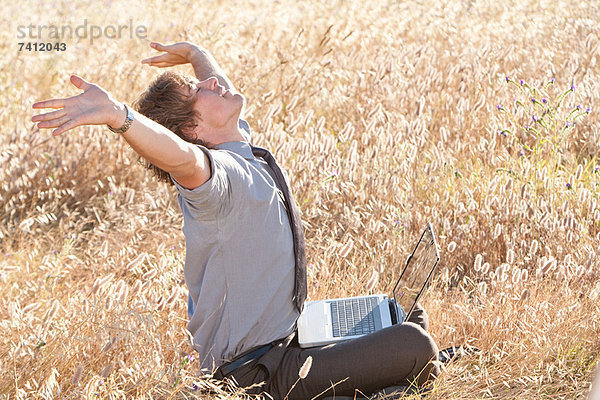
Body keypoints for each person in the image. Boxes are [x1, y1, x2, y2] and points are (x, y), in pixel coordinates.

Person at [31, 40, 440, 399]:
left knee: (400, 314)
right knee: (414, 343)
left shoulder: (238, 145)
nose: (212, 82)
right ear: (193, 127)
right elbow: (182, 157)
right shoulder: (214, 179)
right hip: (258, 376)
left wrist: (196, 55)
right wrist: (119, 116)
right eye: (198, 89)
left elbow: (222, 89)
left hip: (288, 339)